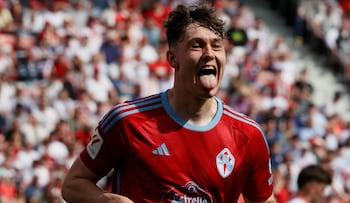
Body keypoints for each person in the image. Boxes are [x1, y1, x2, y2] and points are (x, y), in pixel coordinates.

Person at [61, 2, 275, 203]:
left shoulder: (249, 135)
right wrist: (102, 200)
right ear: (172, 58)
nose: (209, 54)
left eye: (217, 46)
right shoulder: (128, 121)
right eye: (197, 45)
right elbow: (73, 184)